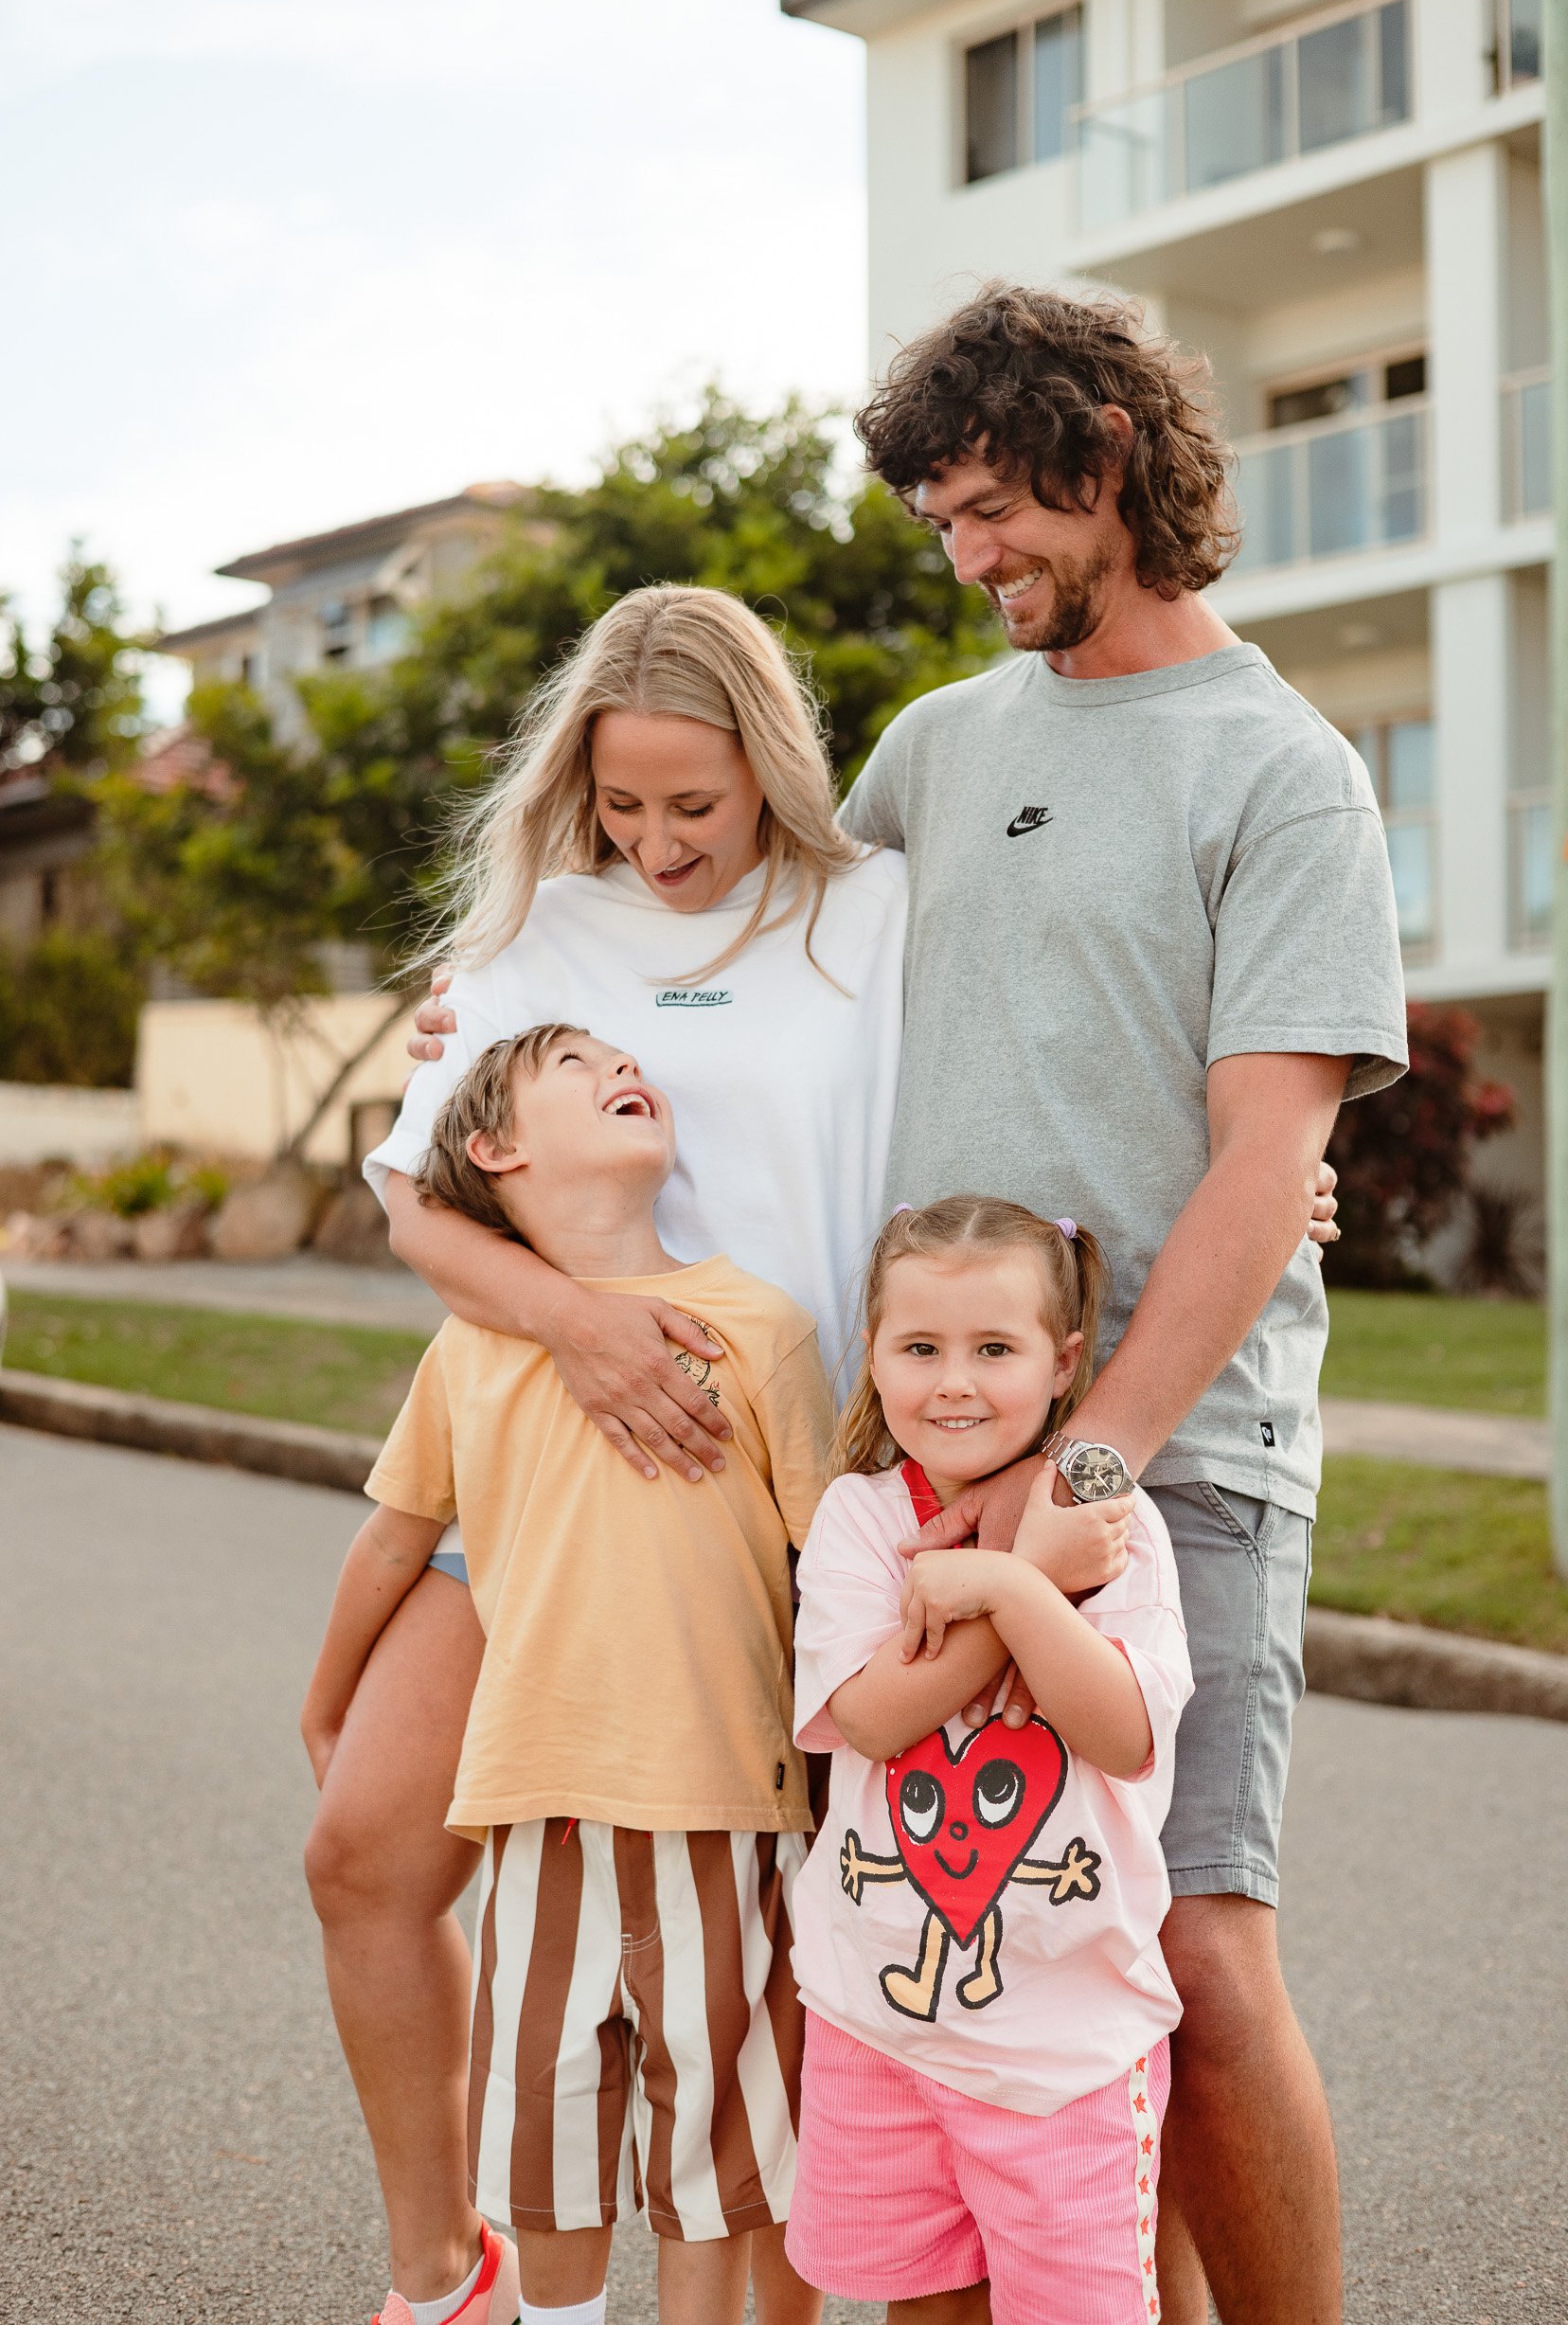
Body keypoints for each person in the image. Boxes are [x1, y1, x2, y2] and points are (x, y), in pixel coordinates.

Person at [836, 283, 1409, 2325]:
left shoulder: (1280, 770)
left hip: (1176, 1454)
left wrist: (1083, 1469)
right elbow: (763, 975)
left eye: (988, 507)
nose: (965, 555)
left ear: (1100, 459)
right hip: (921, 1440)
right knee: (1006, 1953)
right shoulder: (928, 746)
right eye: (937, 525)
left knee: (1189, 1945)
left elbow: (1261, 1158)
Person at [305, 584, 906, 2325]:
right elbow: (417, 1201)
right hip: (538, 1475)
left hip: (775, 1488)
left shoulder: (871, 915)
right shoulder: (532, 937)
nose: (653, 846)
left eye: (692, 807)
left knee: (765, 1972)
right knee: (365, 1853)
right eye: (618, 805)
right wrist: (573, 1326)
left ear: (770, 769)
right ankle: (448, 2273)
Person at [303, 1021, 834, 2325]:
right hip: (534, 1813)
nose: (620, 1069)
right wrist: (323, 1704)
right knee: (547, 2145)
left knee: (711, 2159)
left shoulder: (762, 1330)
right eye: (573, 1067)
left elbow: (827, 1571)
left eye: (623, 1062)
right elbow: (393, 1539)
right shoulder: (471, 1350)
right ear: (496, 1147)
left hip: (723, 1813)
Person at [786, 1195, 1191, 2323]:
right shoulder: (862, 1522)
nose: (952, 1382)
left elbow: (1120, 1729)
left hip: (1063, 2048)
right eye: (918, 1348)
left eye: (993, 1348)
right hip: (877, 2023)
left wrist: (1017, 1582)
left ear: (1063, 1364)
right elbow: (870, 1716)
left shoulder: (1113, 1524)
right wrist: (1016, 1597)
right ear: (870, 1351)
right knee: (919, 2305)